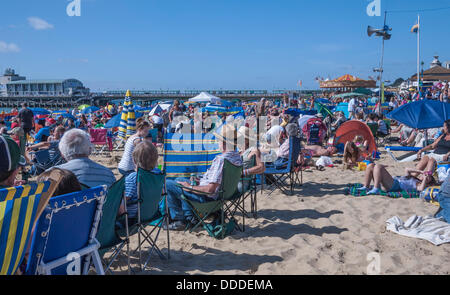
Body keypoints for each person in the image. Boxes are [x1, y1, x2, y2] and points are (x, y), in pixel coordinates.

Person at [165, 124, 243, 230]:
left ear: (224, 143)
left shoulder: (221, 160)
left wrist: (190, 187)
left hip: (207, 200)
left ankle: (180, 220)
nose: (217, 143)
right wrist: (201, 180)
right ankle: (190, 217)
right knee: (179, 180)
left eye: (218, 140)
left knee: (168, 184)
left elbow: (210, 190)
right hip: (222, 197)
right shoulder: (237, 158)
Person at [117, 141, 160, 220]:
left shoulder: (133, 178)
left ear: (133, 160)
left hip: (133, 217)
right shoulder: (158, 174)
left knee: (118, 200)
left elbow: (123, 199)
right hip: (152, 213)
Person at [359, 164, 437, 195]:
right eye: (425, 176)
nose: (425, 176)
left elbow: (421, 189)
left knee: (378, 166)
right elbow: (407, 169)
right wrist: (421, 171)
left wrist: (425, 179)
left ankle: (376, 188)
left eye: (427, 178)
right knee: (371, 165)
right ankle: (366, 186)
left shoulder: (418, 185)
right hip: (392, 181)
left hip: (394, 185)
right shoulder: (414, 178)